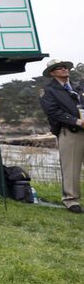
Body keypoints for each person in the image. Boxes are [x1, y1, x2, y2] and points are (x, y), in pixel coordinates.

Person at [39, 59, 84, 214]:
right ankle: (71, 200)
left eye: (65, 67)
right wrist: (77, 121)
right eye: (59, 68)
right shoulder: (48, 91)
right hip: (70, 131)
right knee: (71, 167)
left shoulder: (78, 87)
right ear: (52, 72)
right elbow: (53, 112)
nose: (64, 69)